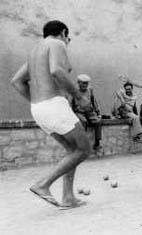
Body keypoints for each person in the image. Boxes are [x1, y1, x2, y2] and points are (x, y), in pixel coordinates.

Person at [10, 20, 90, 209]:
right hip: (54, 105)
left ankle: (68, 197)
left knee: (72, 151)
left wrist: (37, 101)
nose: (67, 40)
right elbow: (56, 71)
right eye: (67, 36)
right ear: (63, 32)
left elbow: (16, 81)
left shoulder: (34, 51)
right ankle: (43, 184)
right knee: (84, 149)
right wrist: (79, 97)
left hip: (38, 109)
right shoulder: (57, 43)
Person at [71, 74, 102, 150]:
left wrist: (98, 112)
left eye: (86, 83)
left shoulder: (90, 90)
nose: (85, 85)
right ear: (79, 83)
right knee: (83, 122)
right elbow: (70, 104)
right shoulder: (74, 91)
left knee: (98, 122)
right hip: (79, 112)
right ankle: (82, 144)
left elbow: (94, 101)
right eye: (83, 83)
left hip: (89, 112)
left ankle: (97, 143)